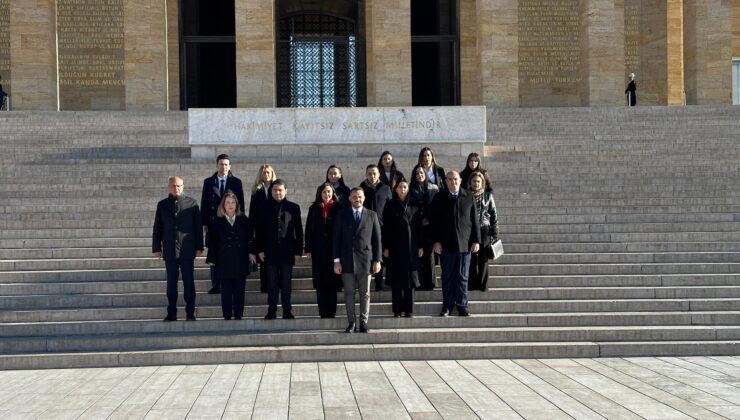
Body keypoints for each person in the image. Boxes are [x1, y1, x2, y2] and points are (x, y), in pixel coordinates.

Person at [152, 176, 203, 321]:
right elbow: (157, 228)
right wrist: (156, 247)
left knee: (188, 282)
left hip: (187, 250)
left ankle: (190, 313)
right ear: (169, 187)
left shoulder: (192, 204)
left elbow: (197, 228)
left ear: (183, 186)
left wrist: (199, 246)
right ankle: (171, 312)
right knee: (171, 284)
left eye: (179, 186)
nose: (176, 188)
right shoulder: (162, 205)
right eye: (173, 186)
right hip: (169, 250)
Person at [430, 171, 480, 317]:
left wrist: (476, 240)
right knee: (447, 277)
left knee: (463, 277)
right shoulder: (439, 197)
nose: (453, 182)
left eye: (456, 179)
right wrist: (436, 242)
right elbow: (434, 222)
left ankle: (463, 305)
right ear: (446, 181)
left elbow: (475, 221)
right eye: (450, 179)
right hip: (446, 245)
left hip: (465, 245)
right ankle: (447, 306)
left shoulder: (468, 196)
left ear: (461, 180)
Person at [333, 187, 382, 333]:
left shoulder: (372, 215)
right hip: (346, 260)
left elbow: (377, 240)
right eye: (354, 196)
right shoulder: (342, 215)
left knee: (365, 293)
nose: (357, 199)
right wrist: (336, 260)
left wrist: (377, 260)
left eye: (359, 196)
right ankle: (351, 322)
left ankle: (363, 322)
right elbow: (336, 239)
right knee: (349, 293)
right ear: (349, 198)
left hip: (365, 261)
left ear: (364, 198)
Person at [256, 179, 303, 320]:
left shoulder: (293, 207)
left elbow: (299, 232)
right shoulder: (264, 207)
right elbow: (259, 231)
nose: (277, 192)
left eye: (280, 190)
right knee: (272, 284)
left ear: (286, 191)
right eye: (275, 190)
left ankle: (287, 311)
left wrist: (298, 252)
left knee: (286, 284)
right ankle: (271, 311)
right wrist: (260, 249)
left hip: (287, 252)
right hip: (269, 252)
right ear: (271, 191)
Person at [206, 192, 255, 320]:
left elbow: (250, 239)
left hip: (240, 259)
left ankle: (238, 315)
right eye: (227, 202)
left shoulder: (244, 220)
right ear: (223, 205)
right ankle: (227, 316)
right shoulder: (216, 222)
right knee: (226, 292)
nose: (230, 205)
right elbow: (212, 242)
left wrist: (251, 253)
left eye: (233, 202)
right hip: (224, 260)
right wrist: (211, 259)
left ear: (237, 205)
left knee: (239, 291)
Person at [200, 154, 245, 295]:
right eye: (221, 164)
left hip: (230, 224)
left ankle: (228, 282)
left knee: (229, 253)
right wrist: (204, 223)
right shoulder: (208, 182)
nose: (223, 167)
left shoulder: (236, 182)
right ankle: (216, 284)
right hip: (214, 224)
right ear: (217, 165)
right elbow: (204, 203)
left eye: (226, 164)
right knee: (214, 253)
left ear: (229, 166)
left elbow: (240, 204)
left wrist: (240, 222)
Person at [382, 180, 423, 317]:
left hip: (411, 246)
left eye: (405, 186)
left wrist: (421, 245)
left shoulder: (415, 204)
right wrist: (386, 246)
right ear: (396, 189)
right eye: (400, 187)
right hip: (395, 246)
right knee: (396, 280)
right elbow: (386, 227)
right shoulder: (390, 204)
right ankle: (397, 310)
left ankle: (409, 310)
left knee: (410, 281)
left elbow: (419, 227)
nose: (403, 189)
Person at [305, 183, 342, 318]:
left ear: (332, 193)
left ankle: (331, 312)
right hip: (318, 250)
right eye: (324, 192)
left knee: (332, 282)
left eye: (329, 192)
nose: (326, 194)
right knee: (320, 282)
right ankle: (323, 312)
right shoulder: (314, 208)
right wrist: (308, 248)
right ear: (320, 193)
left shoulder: (339, 207)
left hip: (333, 251)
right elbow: (309, 229)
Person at [360, 164, 392, 291]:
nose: (372, 176)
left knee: (380, 254)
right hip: (365, 227)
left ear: (379, 174)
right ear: (366, 175)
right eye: (369, 174)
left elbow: (390, 208)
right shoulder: (361, 188)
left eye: (374, 173)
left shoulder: (385, 188)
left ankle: (379, 283)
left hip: (382, 227)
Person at [409, 165, 440, 290]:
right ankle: (419, 282)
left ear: (425, 174)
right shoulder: (410, 189)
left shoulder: (433, 188)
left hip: (429, 226)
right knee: (418, 254)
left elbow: (436, 207)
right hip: (416, 226)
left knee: (429, 254)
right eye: (417, 173)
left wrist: (428, 218)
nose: (419, 175)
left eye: (421, 173)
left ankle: (430, 282)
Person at [467, 171, 498, 292]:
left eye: (478, 181)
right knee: (472, 257)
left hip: (484, 229)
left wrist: (495, 232)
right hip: (470, 230)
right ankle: (472, 283)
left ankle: (482, 284)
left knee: (483, 258)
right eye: (474, 181)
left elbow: (493, 214)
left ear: (482, 183)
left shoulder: (488, 196)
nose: (476, 184)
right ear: (470, 183)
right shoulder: (466, 196)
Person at [249, 164, 277, 293]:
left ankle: (275, 285)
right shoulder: (256, 191)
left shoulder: (276, 188)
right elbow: (252, 212)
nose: (266, 175)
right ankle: (264, 286)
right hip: (261, 231)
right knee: (263, 260)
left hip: (274, 230)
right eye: (264, 172)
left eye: (268, 172)